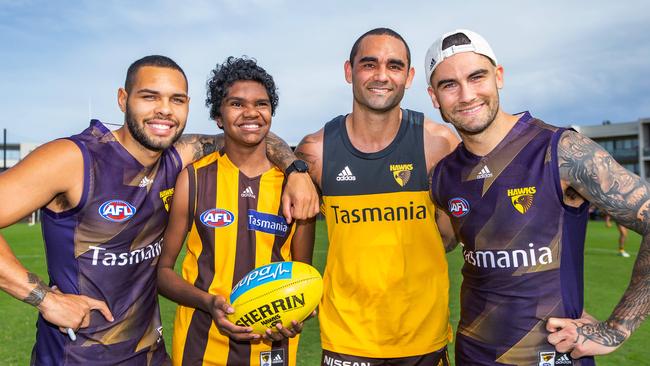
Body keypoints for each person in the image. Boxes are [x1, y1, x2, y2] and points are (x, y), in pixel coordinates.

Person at [0, 55, 318, 365]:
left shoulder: (174, 159)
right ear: (123, 99)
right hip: (77, 355)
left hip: (150, 353)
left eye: (176, 100)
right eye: (150, 97)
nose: (164, 110)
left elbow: (248, 132)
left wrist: (295, 169)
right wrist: (45, 298)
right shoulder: (76, 159)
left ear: (187, 107)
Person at [425, 29, 650, 365]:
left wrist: (615, 330)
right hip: (472, 355)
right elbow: (441, 242)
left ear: (498, 77)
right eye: (449, 84)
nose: (467, 94)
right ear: (434, 97)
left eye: (477, 77)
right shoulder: (444, 175)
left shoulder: (561, 150)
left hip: (552, 357)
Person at [296, 28, 459, 365]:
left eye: (394, 66)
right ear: (349, 70)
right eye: (369, 64)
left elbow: (450, 235)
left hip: (423, 341)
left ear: (410, 76)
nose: (382, 75)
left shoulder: (439, 144)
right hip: (347, 340)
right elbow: (301, 238)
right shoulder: (316, 150)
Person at [157, 57, 315, 366]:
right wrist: (209, 303)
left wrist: (299, 313)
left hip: (272, 349)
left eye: (262, 104)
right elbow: (162, 273)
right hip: (200, 345)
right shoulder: (193, 179)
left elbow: (304, 275)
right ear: (218, 116)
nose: (251, 113)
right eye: (237, 104)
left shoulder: (296, 188)